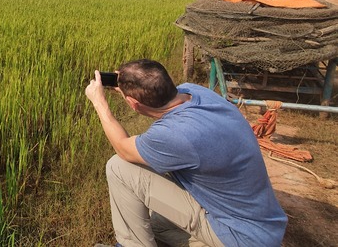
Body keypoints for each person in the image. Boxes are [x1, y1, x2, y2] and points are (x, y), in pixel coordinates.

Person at [85, 59, 287, 247]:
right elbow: (160, 106)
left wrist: (99, 103)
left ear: (133, 104)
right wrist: (132, 79)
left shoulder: (175, 136)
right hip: (264, 226)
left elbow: (122, 148)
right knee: (153, 225)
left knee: (119, 167)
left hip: (241, 237)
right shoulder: (195, 91)